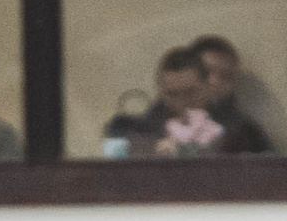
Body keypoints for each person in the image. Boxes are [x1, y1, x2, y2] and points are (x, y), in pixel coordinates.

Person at [103, 46, 270, 157]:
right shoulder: (141, 129)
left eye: (190, 92)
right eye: (173, 94)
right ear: (161, 92)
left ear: (206, 87)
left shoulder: (239, 130)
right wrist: (153, 149)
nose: (182, 102)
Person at [189, 34, 287, 153]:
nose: (214, 82)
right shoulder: (164, 121)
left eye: (225, 76)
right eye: (205, 72)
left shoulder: (246, 132)